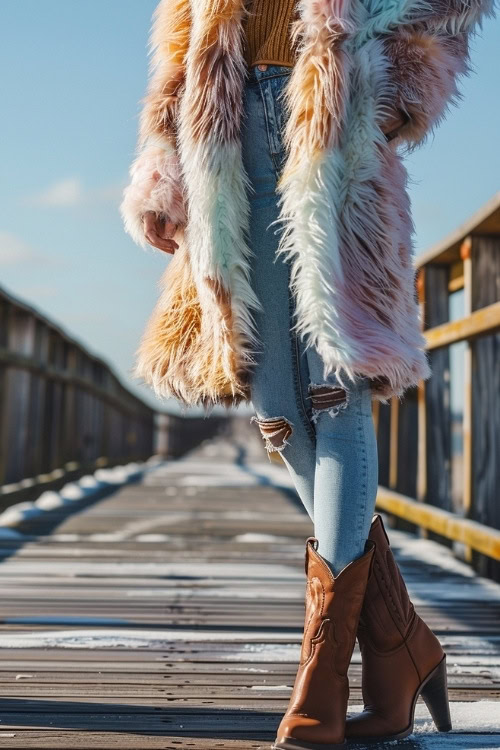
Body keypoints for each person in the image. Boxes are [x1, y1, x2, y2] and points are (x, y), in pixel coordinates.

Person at [120, 1, 493, 747]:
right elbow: (183, 29)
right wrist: (161, 160)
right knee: (277, 406)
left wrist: (394, 96)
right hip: (226, 138)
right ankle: (400, 643)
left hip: (330, 130)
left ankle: (322, 670)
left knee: (336, 387)